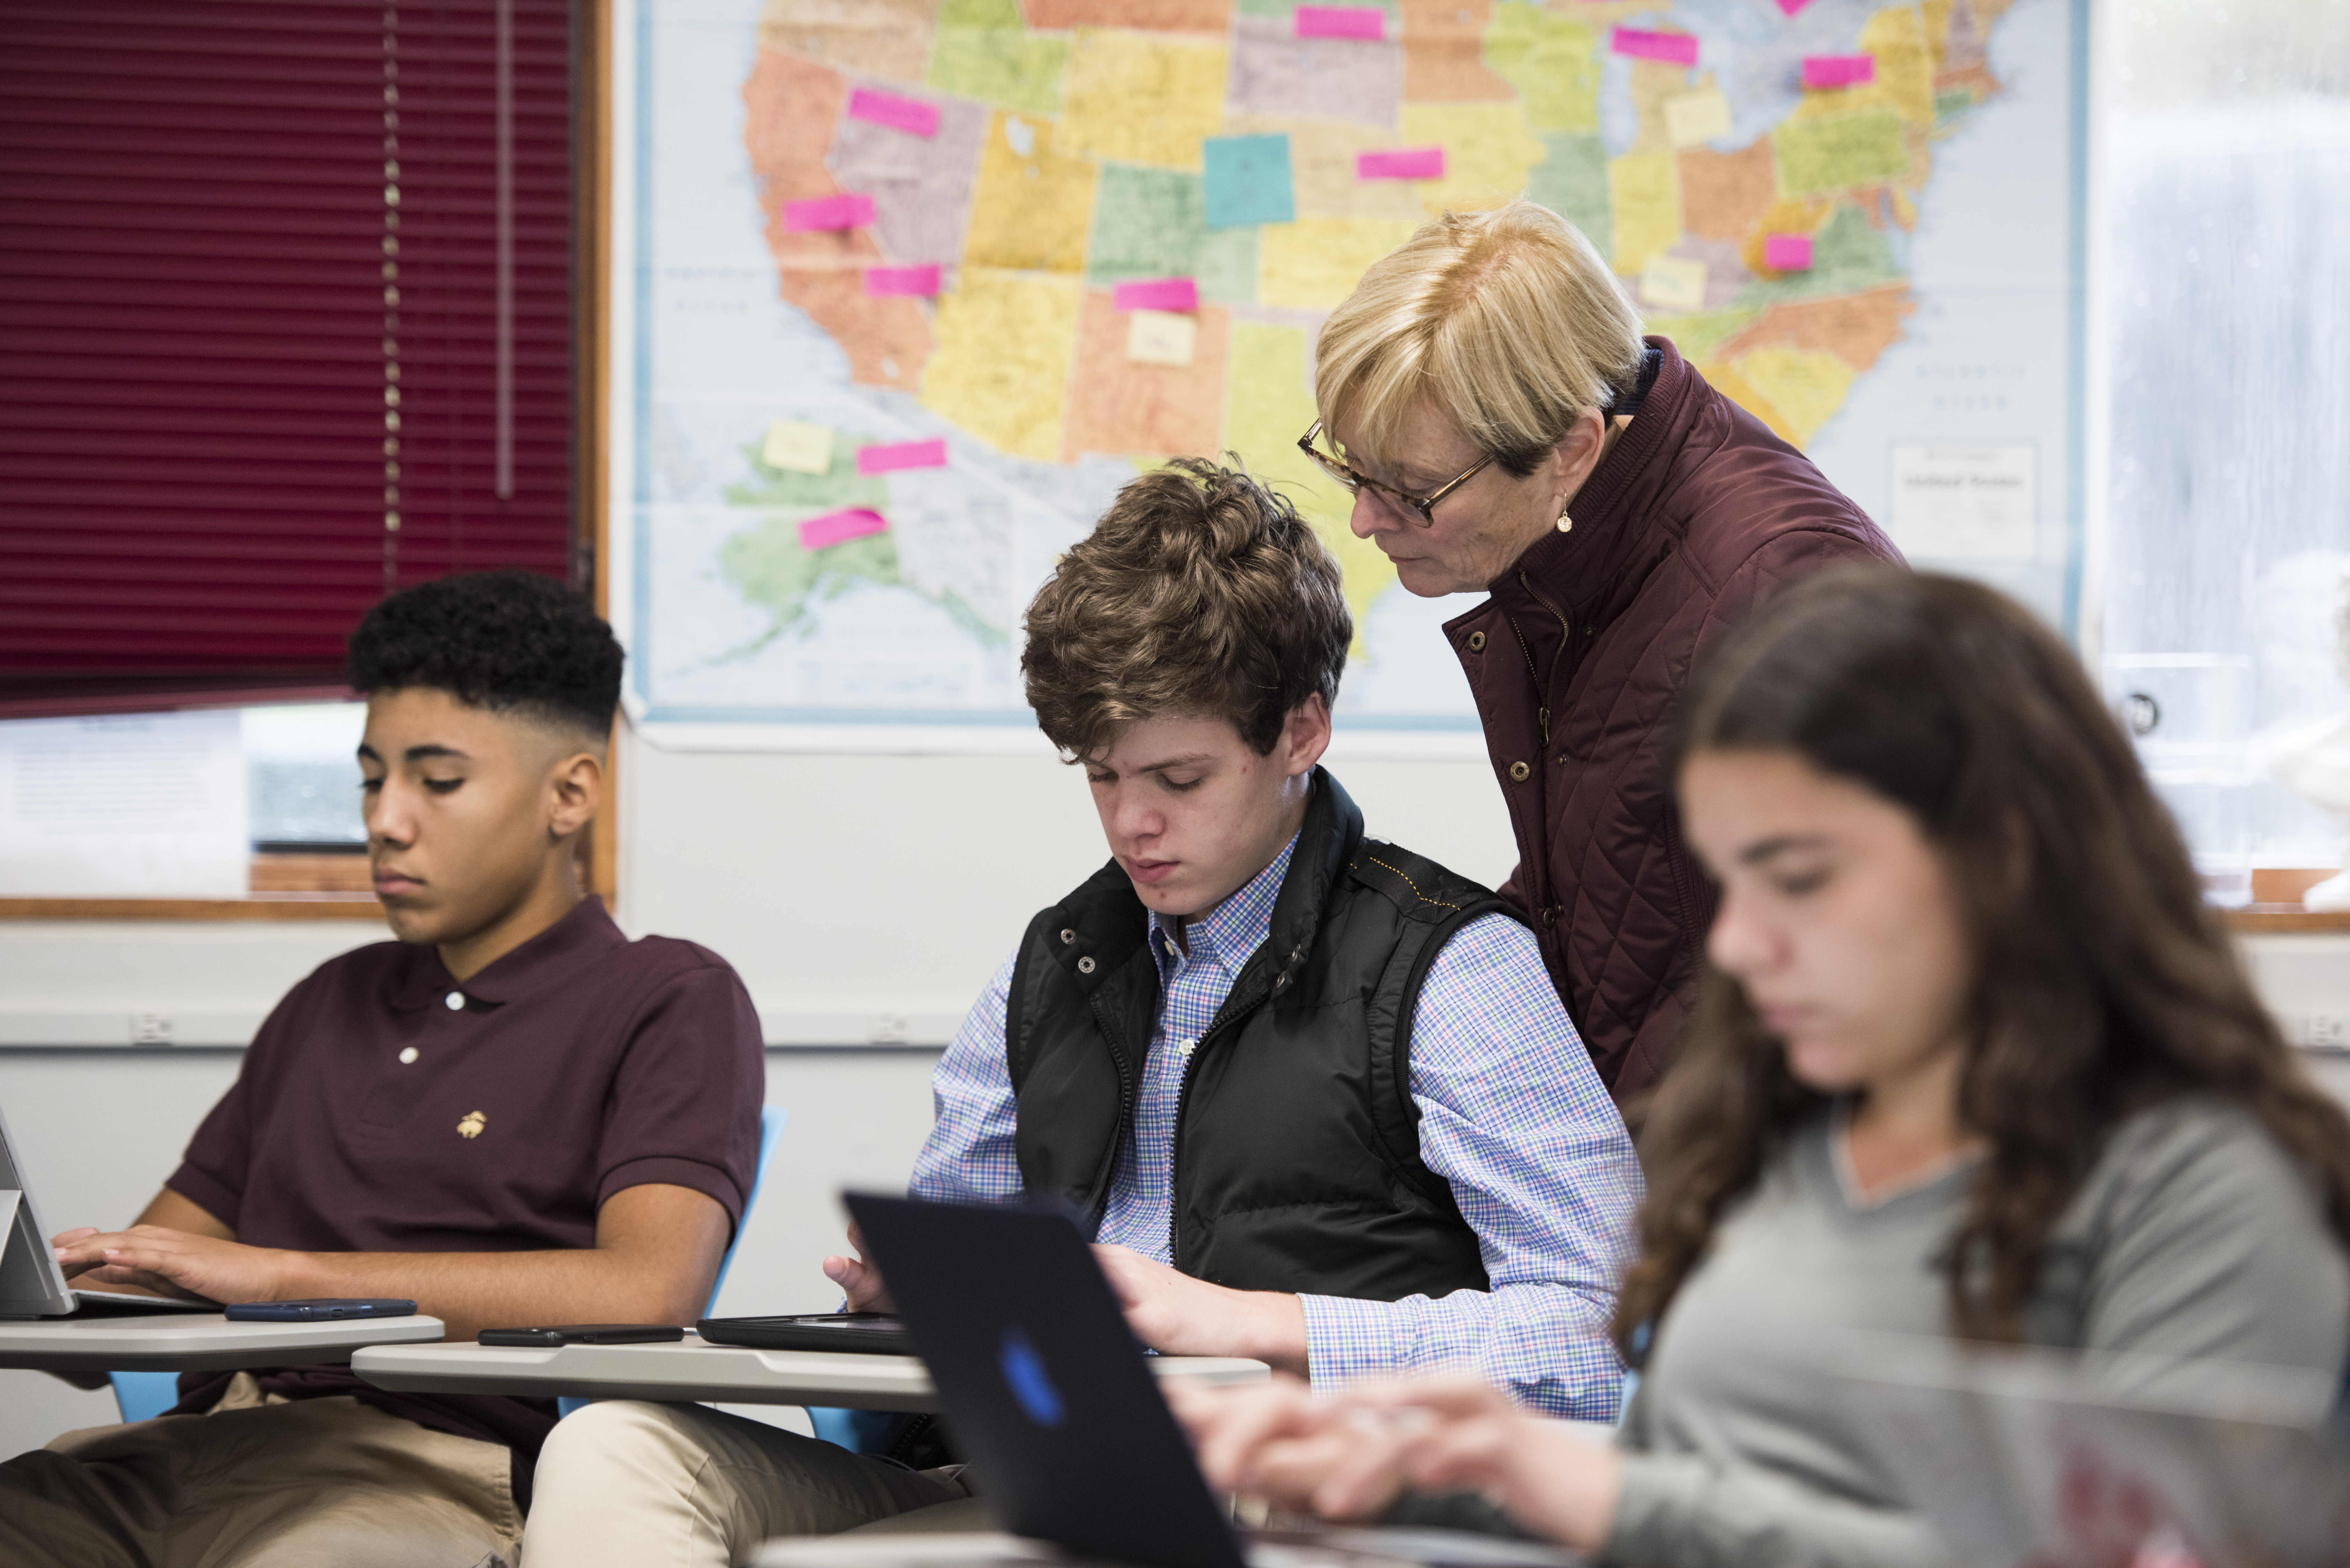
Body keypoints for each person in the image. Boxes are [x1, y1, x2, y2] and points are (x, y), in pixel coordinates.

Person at [521, 459, 1643, 1566]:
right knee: (616, 1452)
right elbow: (957, 1258)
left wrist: (1258, 1323)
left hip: (1282, 1488)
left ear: (1303, 731)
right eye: (1103, 777)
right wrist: (909, 1294)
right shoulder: (1059, 959)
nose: (1132, 825)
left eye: (1180, 780)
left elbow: (1614, 1341)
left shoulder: (1451, 968)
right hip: (1028, 1470)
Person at [1174, 567, 2350, 1568]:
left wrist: (1602, 1494)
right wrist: (1406, 1474)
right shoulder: (1784, 1142)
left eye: (1800, 878)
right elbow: (1693, 1499)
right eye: (1730, 882)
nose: (1737, 944)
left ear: (2004, 854)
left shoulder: (2198, 1186)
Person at [0, 571, 766, 1567]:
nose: (386, 820)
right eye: (372, 778)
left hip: (435, 1474)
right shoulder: (329, 999)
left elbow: (649, 1289)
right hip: (191, 1451)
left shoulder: (668, 994)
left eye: (437, 781)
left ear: (569, 793)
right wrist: (53, 1287)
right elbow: (155, 1272)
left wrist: (282, 1279)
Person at [1304, 200, 1902, 1102]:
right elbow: (1619, 895)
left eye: (1415, 491)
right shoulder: (1575, 555)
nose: (1365, 520)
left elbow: (1872, 995)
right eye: (1352, 472)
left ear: (1573, 447)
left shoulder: (1782, 592)